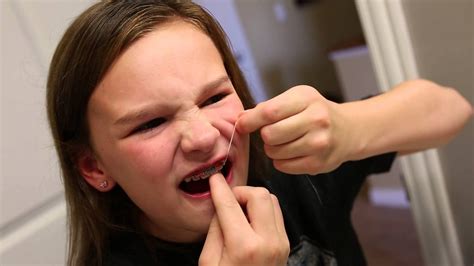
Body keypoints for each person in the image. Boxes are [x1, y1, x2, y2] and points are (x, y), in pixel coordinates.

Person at [46, 1, 472, 265]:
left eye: (214, 98)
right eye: (151, 123)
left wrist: (349, 128)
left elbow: (452, 108)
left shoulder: (294, 170)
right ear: (93, 166)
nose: (201, 137)